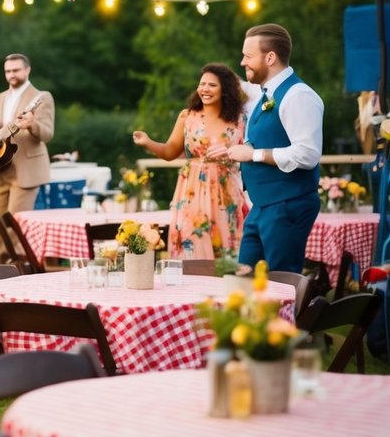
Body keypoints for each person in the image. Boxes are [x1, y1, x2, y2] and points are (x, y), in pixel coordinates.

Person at [216, 23, 323, 272]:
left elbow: (307, 154)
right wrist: (239, 150)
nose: (242, 62)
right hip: (262, 206)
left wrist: (253, 154)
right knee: (243, 280)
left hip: (287, 205)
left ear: (271, 57)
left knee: (280, 283)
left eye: (248, 56)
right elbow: (272, 140)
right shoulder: (265, 95)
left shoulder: (299, 96)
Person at [133, 63, 249, 258]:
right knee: (191, 243)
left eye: (212, 85)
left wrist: (232, 151)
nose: (204, 89)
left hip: (226, 192)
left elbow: (250, 151)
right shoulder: (187, 116)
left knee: (226, 248)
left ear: (226, 89)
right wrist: (148, 142)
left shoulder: (240, 119)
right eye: (202, 84)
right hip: (191, 191)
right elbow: (170, 151)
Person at [0, 53, 55, 263]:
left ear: (27, 70)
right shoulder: (1, 98)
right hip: (2, 168)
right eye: (8, 71)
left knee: (16, 225)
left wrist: (32, 124)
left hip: (27, 170)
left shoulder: (41, 97)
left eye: (16, 70)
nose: (11, 75)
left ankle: (19, 273)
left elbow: (47, 133)